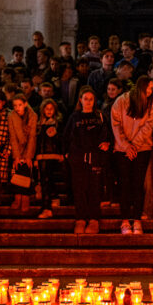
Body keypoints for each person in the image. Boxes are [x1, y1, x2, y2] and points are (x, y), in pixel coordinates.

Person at [111, 75, 153, 234]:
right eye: (149, 88)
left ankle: (137, 219)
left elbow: (148, 127)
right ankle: (125, 220)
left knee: (138, 184)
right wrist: (126, 145)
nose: (151, 91)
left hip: (142, 148)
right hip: (122, 149)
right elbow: (116, 125)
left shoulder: (152, 104)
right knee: (124, 184)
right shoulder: (121, 101)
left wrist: (134, 146)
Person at [64, 87, 110, 234]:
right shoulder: (74, 117)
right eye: (86, 99)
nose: (88, 102)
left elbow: (108, 134)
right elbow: (66, 136)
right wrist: (67, 153)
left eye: (91, 99)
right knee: (79, 190)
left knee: (94, 190)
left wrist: (107, 143)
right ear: (80, 100)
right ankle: (81, 219)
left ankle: (94, 220)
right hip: (78, 159)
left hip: (95, 158)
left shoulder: (100, 116)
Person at [8, 93, 38, 214]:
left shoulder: (32, 116)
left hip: (29, 147)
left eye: (20, 105)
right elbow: (13, 136)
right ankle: (17, 197)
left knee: (26, 168)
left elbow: (32, 137)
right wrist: (16, 156)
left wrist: (28, 156)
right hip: (17, 148)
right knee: (17, 168)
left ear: (25, 104)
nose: (17, 108)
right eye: (15, 105)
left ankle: (25, 197)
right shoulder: (12, 116)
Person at [36, 98, 64, 218]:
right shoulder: (39, 124)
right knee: (45, 181)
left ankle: (47, 207)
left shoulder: (57, 124)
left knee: (48, 180)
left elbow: (61, 140)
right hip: (42, 156)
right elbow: (37, 141)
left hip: (52, 155)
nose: (49, 111)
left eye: (51, 109)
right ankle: (48, 204)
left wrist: (61, 153)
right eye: (46, 109)